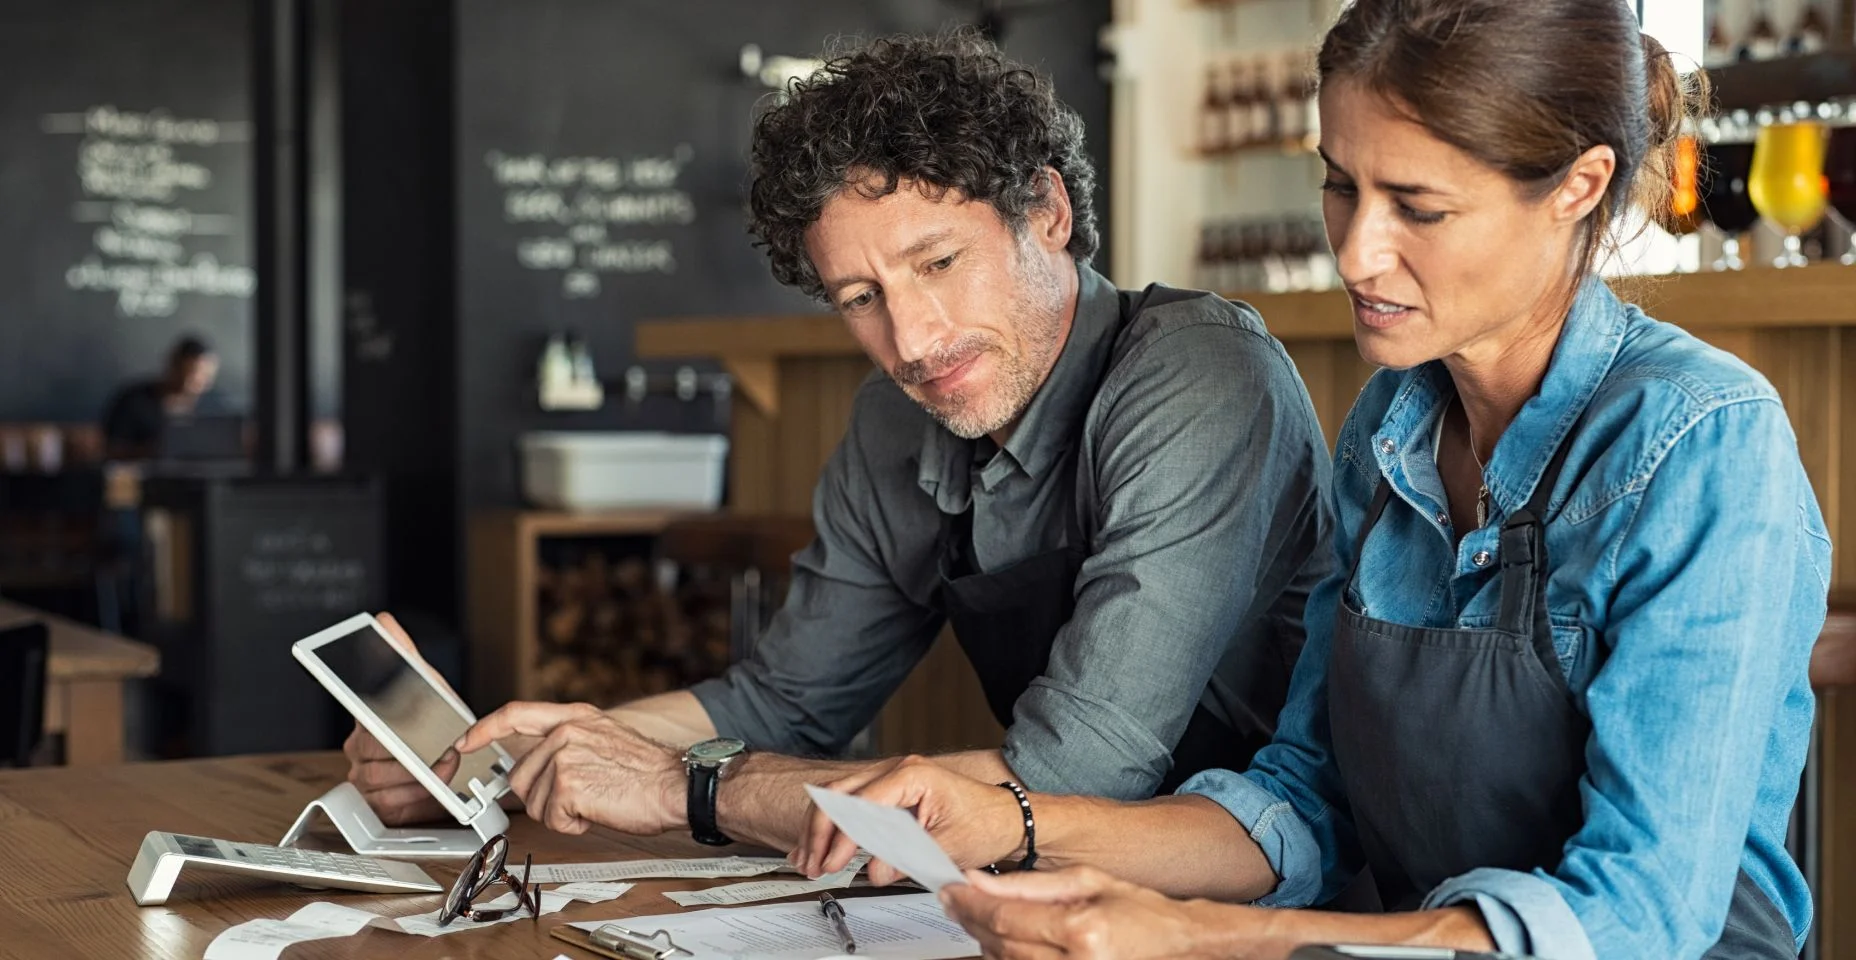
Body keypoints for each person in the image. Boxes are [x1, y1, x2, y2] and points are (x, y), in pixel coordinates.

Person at [795, 3, 1826, 959]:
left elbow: (1640, 913)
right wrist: (1016, 827)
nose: (1356, 252)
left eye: (1415, 206)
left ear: (1577, 187)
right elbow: (1304, 796)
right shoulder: (1391, 423)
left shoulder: (1699, 442)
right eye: (1340, 185)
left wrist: (1206, 936)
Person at [345, 31, 1333, 853]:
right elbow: (784, 699)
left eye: (938, 262)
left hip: (1271, 892)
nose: (911, 341)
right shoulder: (893, 419)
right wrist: (504, 754)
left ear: (1047, 212)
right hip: (1058, 896)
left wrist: (689, 791)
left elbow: (1071, 777)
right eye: (860, 299)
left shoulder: (1197, 378)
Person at [100, 334, 222, 460]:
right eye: (195, 373)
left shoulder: (215, 405)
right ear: (175, 366)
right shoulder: (133, 401)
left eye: (207, 375)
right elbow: (111, 448)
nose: (201, 381)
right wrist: (154, 449)